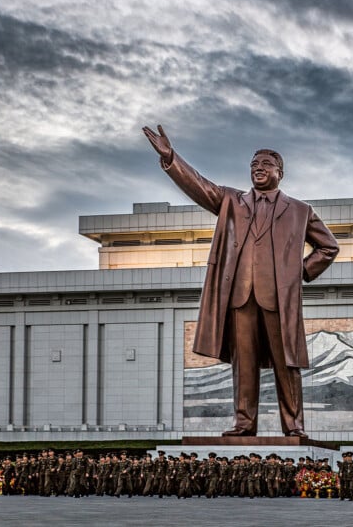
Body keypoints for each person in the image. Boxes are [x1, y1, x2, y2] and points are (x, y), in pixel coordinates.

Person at [143, 125, 339, 437]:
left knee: (286, 363)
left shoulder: (300, 210)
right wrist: (171, 158)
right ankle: (244, 424)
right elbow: (199, 186)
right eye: (254, 164)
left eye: (266, 164)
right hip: (239, 297)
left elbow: (328, 247)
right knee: (243, 363)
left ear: (280, 173)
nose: (258, 168)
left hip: (278, 299)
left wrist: (299, 272)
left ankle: (294, 426)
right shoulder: (231, 201)